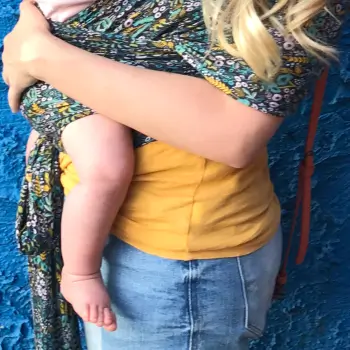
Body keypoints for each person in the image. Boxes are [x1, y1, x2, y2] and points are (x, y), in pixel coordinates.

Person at [2, 0, 345, 349]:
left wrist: (40, 53)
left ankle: (79, 272)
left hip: (177, 262)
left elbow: (233, 134)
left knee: (105, 170)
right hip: (115, 232)